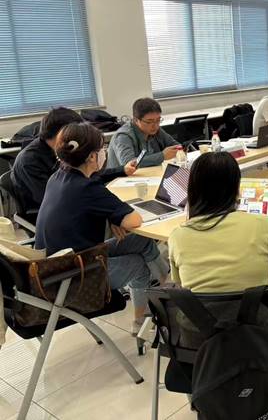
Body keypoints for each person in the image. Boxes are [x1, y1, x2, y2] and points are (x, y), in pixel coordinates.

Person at [34, 123, 168, 332]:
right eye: (102, 148)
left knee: (141, 240)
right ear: (91, 157)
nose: (104, 152)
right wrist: (116, 216)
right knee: (139, 264)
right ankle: (141, 322)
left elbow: (96, 200)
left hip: (54, 265)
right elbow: (134, 220)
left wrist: (113, 217)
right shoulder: (88, 188)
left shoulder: (58, 176)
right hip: (75, 277)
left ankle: (168, 286)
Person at [168, 152, 268, 293]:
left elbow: (179, 283)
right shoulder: (263, 225)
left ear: (192, 190)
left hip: (200, 308)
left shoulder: (177, 237)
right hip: (256, 307)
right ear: (236, 188)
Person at [10, 107, 136, 212]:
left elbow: (87, 174)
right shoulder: (29, 161)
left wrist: (121, 170)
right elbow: (53, 199)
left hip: (72, 203)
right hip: (50, 214)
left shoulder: (64, 149)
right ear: (63, 132)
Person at [107, 97, 179, 169]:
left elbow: (176, 146)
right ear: (136, 120)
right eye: (149, 122)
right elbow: (128, 163)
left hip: (150, 173)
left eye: (158, 120)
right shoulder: (123, 136)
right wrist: (162, 156)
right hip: (125, 176)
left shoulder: (156, 130)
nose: (155, 125)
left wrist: (179, 148)